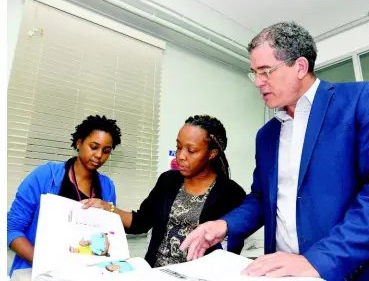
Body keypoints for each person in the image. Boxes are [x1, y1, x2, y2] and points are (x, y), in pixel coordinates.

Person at [180, 22, 369, 281]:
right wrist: (224, 225)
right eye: (254, 73)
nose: (258, 82)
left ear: (300, 67)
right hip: (283, 274)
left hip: (359, 271)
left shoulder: (360, 100)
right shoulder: (266, 135)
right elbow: (261, 198)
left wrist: (319, 260)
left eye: (265, 71)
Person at [81, 115, 246, 268]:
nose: (180, 156)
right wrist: (107, 208)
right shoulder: (168, 181)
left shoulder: (232, 194)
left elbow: (230, 253)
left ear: (212, 153)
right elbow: (142, 222)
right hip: (155, 272)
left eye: (191, 150)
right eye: (178, 147)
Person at [7, 115, 122, 276]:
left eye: (106, 151)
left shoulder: (107, 187)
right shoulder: (45, 175)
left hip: (85, 274)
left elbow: (105, 235)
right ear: (79, 142)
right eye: (94, 147)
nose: (99, 155)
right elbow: (11, 229)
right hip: (38, 272)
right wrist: (46, 264)